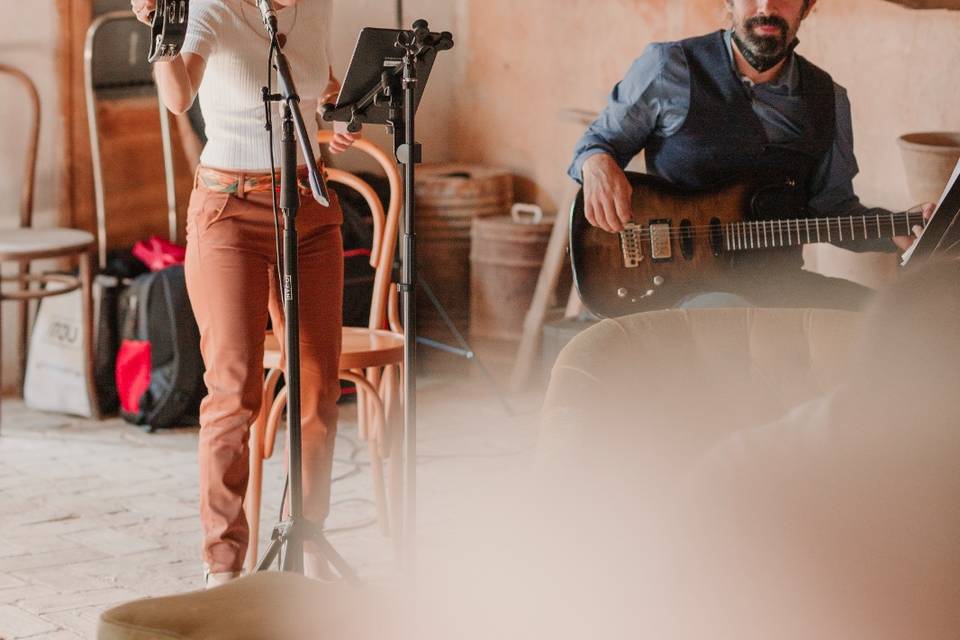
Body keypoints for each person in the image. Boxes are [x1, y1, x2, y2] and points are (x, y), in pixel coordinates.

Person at [132, 0, 359, 587]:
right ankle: (223, 564)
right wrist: (164, 36)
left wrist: (337, 116)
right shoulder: (211, 8)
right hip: (228, 211)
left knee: (317, 389)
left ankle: (304, 539)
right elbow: (180, 96)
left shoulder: (318, 6)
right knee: (234, 392)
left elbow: (321, 83)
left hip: (309, 208)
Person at [570, 0, 933, 310]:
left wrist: (897, 227)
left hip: (779, 285)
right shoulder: (669, 66)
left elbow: (833, 210)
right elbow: (598, 141)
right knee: (731, 318)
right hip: (681, 288)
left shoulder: (829, 99)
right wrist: (596, 161)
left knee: (886, 319)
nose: (766, 7)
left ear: (808, 6)